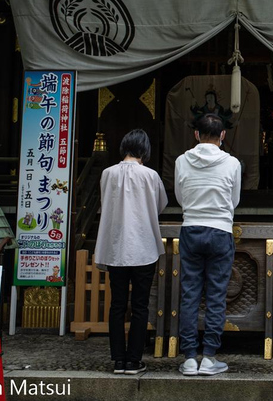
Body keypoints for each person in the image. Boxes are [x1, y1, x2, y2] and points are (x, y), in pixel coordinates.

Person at [95, 129, 167, 375]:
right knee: (140, 305)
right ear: (145, 150)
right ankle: (133, 361)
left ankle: (118, 360)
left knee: (116, 305)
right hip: (144, 247)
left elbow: (105, 204)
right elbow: (160, 205)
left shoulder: (107, 174)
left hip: (116, 247)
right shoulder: (151, 175)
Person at [175, 113, 241, 376]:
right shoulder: (233, 163)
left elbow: (180, 198)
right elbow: (234, 200)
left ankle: (190, 357)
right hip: (221, 230)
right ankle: (209, 357)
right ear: (223, 136)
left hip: (191, 227)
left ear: (196, 135)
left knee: (190, 294)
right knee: (216, 296)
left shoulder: (181, 161)